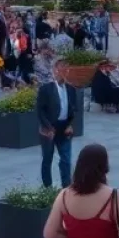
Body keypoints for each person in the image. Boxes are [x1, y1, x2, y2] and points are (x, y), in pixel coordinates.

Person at [37, 58, 77, 188]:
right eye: (62, 70)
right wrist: (47, 127)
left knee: (66, 159)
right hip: (50, 127)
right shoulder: (46, 89)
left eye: (67, 70)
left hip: (64, 127)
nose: (64, 73)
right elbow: (40, 110)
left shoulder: (71, 89)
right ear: (55, 71)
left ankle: (66, 187)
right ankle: (47, 187)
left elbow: (73, 109)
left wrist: (70, 124)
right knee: (47, 158)